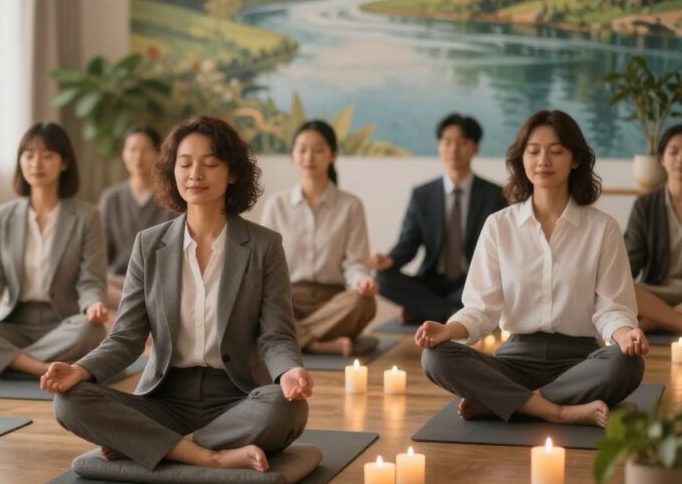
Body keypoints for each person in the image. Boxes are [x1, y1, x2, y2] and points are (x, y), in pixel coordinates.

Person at [43, 116, 312, 473]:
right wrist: (80, 369)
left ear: (232, 173)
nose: (195, 174)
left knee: (288, 408)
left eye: (210, 163)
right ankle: (208, 454)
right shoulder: (149, 245)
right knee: (69, 402)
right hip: (164, 400)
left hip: (237, 398)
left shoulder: (263, 246)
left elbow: (276, 334)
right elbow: (126, 338)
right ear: (173, 171)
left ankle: (150, 444)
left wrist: (289, 371)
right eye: (185, 164)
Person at [417, 110, 646, 428]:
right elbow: (481, 310)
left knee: (627, 365)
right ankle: (557, 410)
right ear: (521, 158)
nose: (543, 161)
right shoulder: (499, 226)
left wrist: (626, 336)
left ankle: (506, 402)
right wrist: (448, 330)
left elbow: (613, 309)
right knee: (435, 357)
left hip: (580, 362)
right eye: (534, 151)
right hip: (514, 360)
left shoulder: (602, 228)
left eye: (556, 151)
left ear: (575, 159)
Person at [0, 123, 108, 378]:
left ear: (65, 163)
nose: (36, 163)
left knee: (92, 331)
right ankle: (37, 367)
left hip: (63, 324)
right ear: (20, 161)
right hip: (13, 324)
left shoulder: (87, 217)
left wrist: (93, 305)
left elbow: (91, 280)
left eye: (47, 156)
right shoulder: (4, 216)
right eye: (29, 155)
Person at [371, 113, 506, 324]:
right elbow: (408, 244)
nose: (453, 149)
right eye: (447, 141)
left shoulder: (494, 195)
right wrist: (390, 259)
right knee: (383, 279)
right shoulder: (422, 195)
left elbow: (500, 252)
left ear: (475, 148)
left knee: (500, 283)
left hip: (472, 281)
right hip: (431, 281)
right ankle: (451, 314)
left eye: (462, 142)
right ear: (439, 146)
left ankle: (426, 311)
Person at [260, 120, 377, 356]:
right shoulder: (276, 205)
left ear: (332, 154)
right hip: (287, 299)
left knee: (364, 303)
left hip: (333, 304)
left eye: (318, 149)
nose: (309, 157)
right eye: (302, 149)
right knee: (250, 305)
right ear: (293, 155)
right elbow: (262, 264)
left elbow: (355, 263)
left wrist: (362, 281)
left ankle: (292, 340)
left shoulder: (350, 205)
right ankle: (315, 342)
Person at [99, 125, 174, 308]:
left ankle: (131, 316)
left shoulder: (171, 199)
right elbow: (99, 252)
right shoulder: (111, 199)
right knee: (97, 286)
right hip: (118, 282)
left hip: (157, 282)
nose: (138, 157)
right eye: (132, 150)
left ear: (158, 154)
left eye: (145, 150)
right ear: (124, 154)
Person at [625, 124, 682, 334]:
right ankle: (676, 321)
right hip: (656, 292)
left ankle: (653, 322)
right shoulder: (645, 206)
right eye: (673, 151)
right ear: (661, 159)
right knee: (622, 289)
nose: (680, 158)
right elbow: (630, 261)